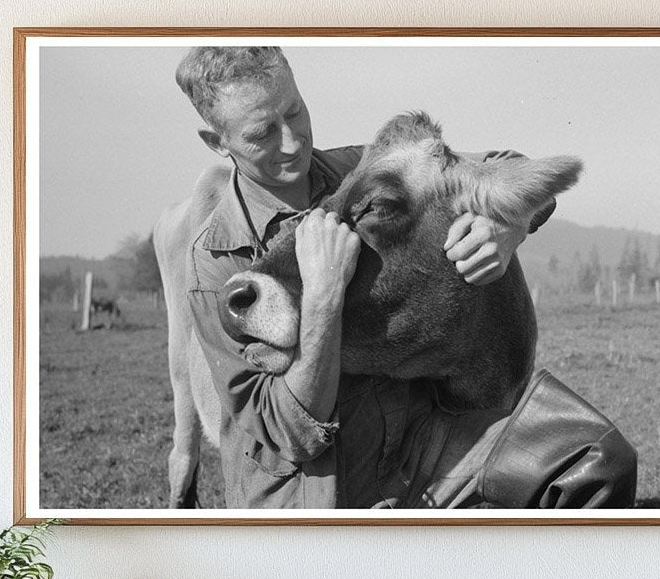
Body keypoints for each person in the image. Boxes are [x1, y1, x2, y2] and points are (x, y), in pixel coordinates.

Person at [176, 46, 636, 509]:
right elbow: (290, 432)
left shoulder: (354, 169)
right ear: (219, 143)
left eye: (294, 112)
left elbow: (500, 163)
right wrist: (322, 297)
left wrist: (505, 226)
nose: (292, 141)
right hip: (315, 492)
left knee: (594, 456)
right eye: (261, 134)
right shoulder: (214, 263)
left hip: (415, 445)